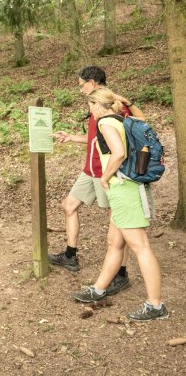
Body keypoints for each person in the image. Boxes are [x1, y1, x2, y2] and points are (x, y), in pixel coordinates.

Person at [72, 88, 168, 320]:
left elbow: (118, 153)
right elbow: (142, 120)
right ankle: (98, 289)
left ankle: (156, 305)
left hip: (124, 189)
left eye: (90, 106)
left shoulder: (106, 122)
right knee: (115, 242)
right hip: (125, 189)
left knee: (140, 246)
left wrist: (104, 177)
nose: (90, 111)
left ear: (96, 105)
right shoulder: (121, 119)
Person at [49, 66, 145, 296]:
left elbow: (139, 122)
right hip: (89, 170)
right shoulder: (94, 105)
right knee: (69, 205)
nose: (80, 89)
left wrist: (128, 102)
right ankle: (70, 255)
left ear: (92, 81)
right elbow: (95, 137)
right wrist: (72, 137)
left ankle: (121, 275)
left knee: (118, 226)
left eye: (81, 84)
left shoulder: (112, 103)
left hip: (108, 172)